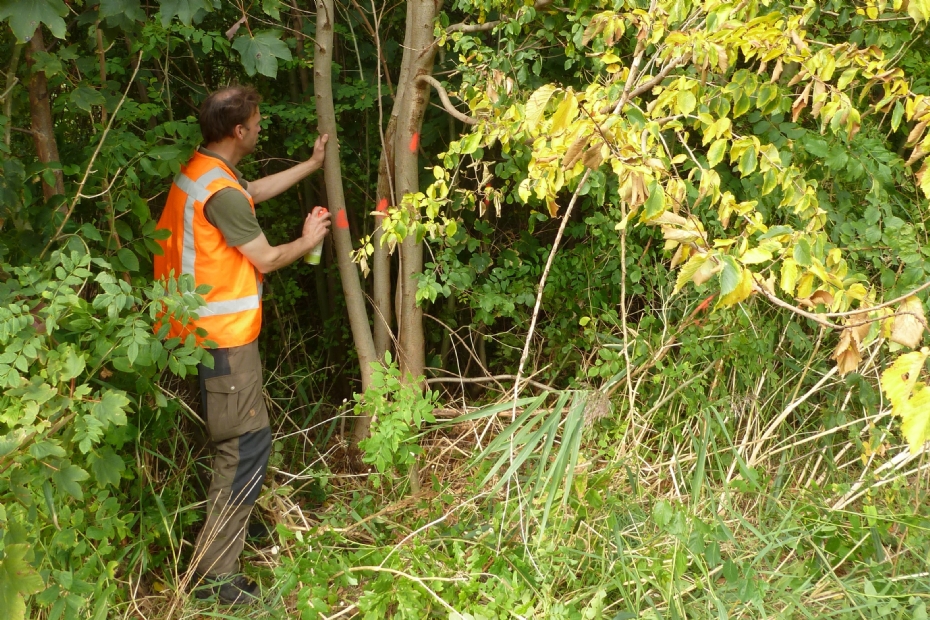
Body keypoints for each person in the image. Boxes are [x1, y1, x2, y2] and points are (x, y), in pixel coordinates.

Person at [153, 84, 331, 605]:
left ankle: (229, 529)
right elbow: (267, 259)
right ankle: (215, 577)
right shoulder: (221, 192)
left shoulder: (204, 171)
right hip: (222, 342)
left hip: (189, 337)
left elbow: (251, 191)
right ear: (238, 130)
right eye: (255, 122)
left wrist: (311, 165)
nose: (259, 127)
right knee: (245, 446)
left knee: (232, 443)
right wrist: (308, 240)